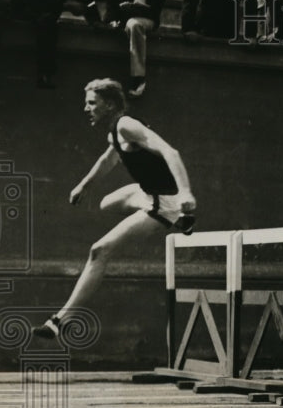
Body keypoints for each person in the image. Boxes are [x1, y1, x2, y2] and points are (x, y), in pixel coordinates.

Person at [33, 79, 196, 339]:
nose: (86, 108)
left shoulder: (127, 125)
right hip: (145, 193)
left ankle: (59, 321)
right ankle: (176, 215)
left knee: (99, 251)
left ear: (109, 105)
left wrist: (186, 192)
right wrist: (84, 186)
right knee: (105, 203)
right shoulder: (115, 132)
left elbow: (171, 152)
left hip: (162, 205)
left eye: (91, 103)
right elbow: (108, 159)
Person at [105, 0, 171, 98]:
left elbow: (155, 10)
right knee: (129, 24)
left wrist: (134, 9)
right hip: (122, 15)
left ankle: (138, 78)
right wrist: (112, 19)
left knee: (135, 24)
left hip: (146, 19)